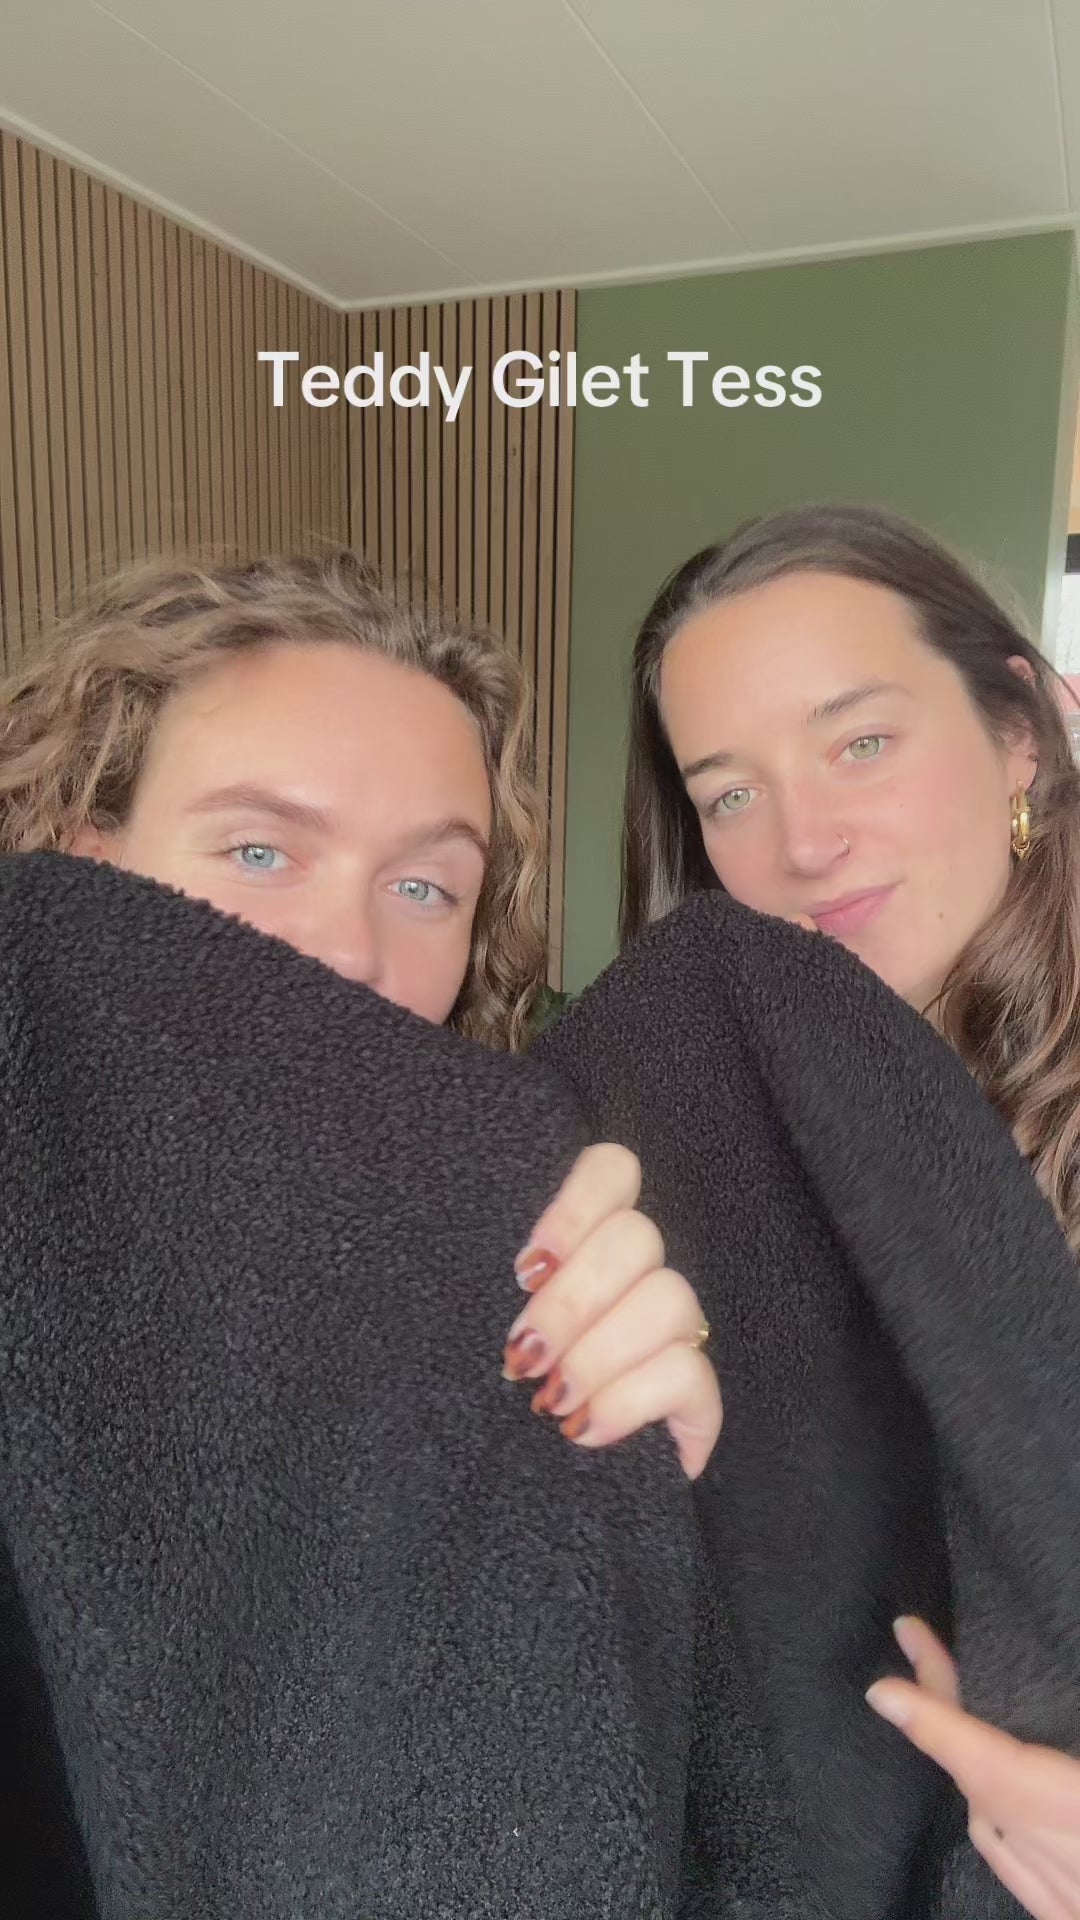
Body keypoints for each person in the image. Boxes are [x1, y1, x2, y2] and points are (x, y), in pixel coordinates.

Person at [0, 550, 721, 1476]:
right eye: (259, 852)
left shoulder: (494, 1248)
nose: (349, 952)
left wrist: (633, 1469)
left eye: (422, 886)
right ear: (83, 870)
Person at [620, 500, 1080, 1919]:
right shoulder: (697, 1151)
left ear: (1021, 731)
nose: (802, 843)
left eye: (860, 742)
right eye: (730, 794)